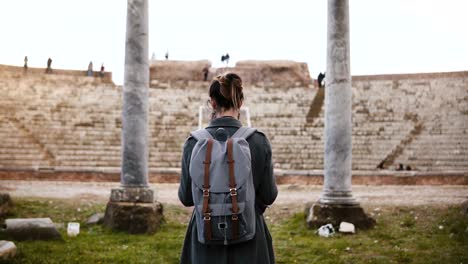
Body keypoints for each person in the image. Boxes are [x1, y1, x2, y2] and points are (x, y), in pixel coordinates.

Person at [178, 72, 278, 264]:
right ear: (240, 103)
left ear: (212, 103)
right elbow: (269, 195)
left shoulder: (193, 143)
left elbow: (186, 198)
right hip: (249, 239)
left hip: (204, 240)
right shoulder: (258, 141)